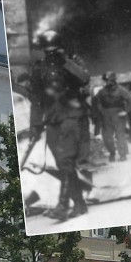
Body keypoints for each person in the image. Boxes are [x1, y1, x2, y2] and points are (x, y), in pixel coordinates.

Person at [24, 29, 91, 220]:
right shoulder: (39, 70)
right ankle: (79, 204)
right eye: (48, 50)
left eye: (55, 50)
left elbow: (84, 78)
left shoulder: (71, 64)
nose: (51, 54)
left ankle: (63, 205)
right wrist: (35, 126)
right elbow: (36, 100)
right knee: (63, 164)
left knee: (65, 160)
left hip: (72, 116)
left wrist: (66, 61)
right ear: (44, 50)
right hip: (52, 120)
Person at [94, 72, 131, 162]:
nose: (105, 83)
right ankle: (112, 153)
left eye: (107, 80)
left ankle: (122, 154)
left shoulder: (121, 90)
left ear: (113, 81)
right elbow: (96, 100)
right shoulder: (102, 91)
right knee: (107, 136)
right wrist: (101, 111)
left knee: (120, 135)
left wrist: (126, 111)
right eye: (105, 81)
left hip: (118, 114)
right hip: (106, 115)